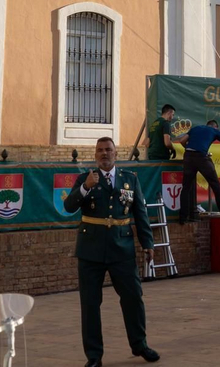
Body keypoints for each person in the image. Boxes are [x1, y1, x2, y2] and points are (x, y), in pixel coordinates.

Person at [64, 137, 160, 367]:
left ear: (116, 153)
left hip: (122, 248)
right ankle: (94, 356)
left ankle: (140, 344)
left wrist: (148, 243)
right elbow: (68, 206)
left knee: (133, 298)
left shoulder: (129, 179)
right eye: (100, 150)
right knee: (90, 304)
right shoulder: (85, 179)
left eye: (108, 150)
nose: (104, 154)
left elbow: (140, 213)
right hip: (91, 250)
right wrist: (86, 187)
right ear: (95, 155)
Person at [174, 119, 220, 221]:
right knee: (215, 184)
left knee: (186, 187)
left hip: (188, 156)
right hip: (201, 157)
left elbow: (182, 140)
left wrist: (187, 147)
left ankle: (183, 216)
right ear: (215, 127)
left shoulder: (196, 128)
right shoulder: (214, 130)